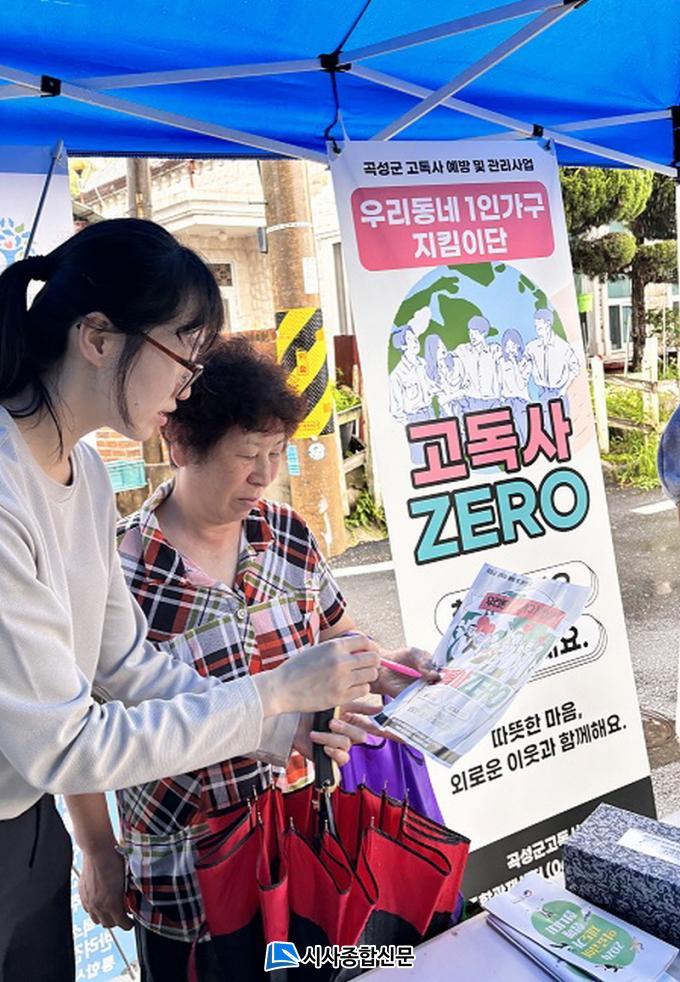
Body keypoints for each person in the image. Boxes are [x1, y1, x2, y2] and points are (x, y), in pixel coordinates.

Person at [0, 218, 382, 982]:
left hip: (25, 815)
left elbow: (127, 666)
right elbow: (70, 745)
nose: (187, 386)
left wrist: (278, 730)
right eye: (184, 355)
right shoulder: (9, 495)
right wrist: (273, 694)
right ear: (97, 337)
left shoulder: (86, 473)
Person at [67, 337, 436, 981]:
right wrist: (99, 853)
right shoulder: (120, 568)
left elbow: (342, 639)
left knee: (329, 964)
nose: (264, 475)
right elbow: (77, 727)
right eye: (246, 455)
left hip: (305, 853)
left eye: (275, 452)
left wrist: (388, 667)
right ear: (182, 445)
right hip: (185, 875)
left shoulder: (288, 534)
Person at [524, 307, 580, 420]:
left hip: (558, 391)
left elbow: (575, 368)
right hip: (541, 391)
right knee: (544, 423)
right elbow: (525, 365)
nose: (537, 330)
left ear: (548, 324)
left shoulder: (563, 346)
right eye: (536, 327)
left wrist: (564, 388)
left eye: (540, 327)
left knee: (560, 423)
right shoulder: (532, 347)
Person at [455, 314, 502, 413]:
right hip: (471, 399)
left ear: (484, 333)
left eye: (475, 333)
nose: (472, 336)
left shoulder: (494, 350)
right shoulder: (463, 350)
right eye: (470, 333)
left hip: (492, 400)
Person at [423, 333, 467, 423]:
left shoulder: (456, 361)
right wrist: (453, 417)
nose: (442, 349)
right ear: (432, 352)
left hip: (464, 405)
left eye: (442, 345)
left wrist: (452, 396)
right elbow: (441, 400)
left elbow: (466, 385)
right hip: (446, 411)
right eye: (438, 348)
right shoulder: (430, 373)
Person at [499, 328, 531, 443]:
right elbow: (500, 382)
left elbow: (521, 384)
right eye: (507, 346)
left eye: (512, 346)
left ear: (518, 345)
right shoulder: (502, 362)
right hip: (507, 401)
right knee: (509, 434)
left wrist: (514, 365)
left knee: (525, 431)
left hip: (521, 401)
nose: (510, 350)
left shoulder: (525, 362)